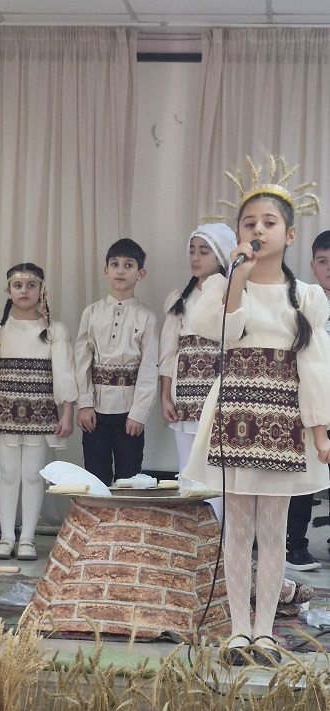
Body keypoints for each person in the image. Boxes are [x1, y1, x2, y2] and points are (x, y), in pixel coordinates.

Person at [182, 183, 330, 663]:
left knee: (273, 530)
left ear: (289, 234)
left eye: (269, 223)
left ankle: (264, 630)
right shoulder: (222, 286)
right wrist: (237, 278)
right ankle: (238, 630)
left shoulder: (305, 296)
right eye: (250, 224)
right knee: (238, 530)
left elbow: (314, 365)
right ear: (238, 234)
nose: (259, 230)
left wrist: (320, 429)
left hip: (283, 419)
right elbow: (218, 332)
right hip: (235, 414)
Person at [0, 262, 77, 561]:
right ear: (8, 290)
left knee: (33, 475)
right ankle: (7, 538)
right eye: (17, 285)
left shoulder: (54, 331)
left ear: (41, 290)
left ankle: (28, 539)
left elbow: (65, 374)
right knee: (7, 474)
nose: (24, 291)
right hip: (5, 413)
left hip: (41, 414)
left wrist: (67, 413)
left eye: (31, 285)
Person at [159, 222, 237, 522]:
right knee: (188, 469)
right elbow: (168, 352)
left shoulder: (231, 295)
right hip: (185, 395)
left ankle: (216, 536)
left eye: (204, 251)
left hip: (220, 395)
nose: (195, 257)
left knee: (216, 470)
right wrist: (166, 396)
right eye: (192, 250)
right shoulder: (178, 298)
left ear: (221, 255)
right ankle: (191, 536)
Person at [75, 238, 158, 487]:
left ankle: (126, 516)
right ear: (106, 270)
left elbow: (149, 367)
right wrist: (84, 403)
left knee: (128, 479)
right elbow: (82, 360)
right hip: (95, 411)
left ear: (140, 273)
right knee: (95, 477)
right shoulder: (91, 313)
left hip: (128, 412)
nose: (121, 270)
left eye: (128, 265)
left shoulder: (147, 317)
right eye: (115, 264)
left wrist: (139, 413)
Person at [285, 229, 330, 570]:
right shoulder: (301, 305)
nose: (329, 268)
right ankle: (295, 545)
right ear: (312, 265)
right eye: (323, 261)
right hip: (310, 403)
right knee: (303, 477)